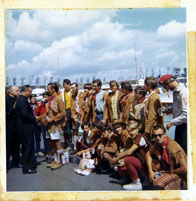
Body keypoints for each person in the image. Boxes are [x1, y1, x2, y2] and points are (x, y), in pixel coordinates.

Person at [110, 123, 151, 190]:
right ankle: (129, 178)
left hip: (146, 163)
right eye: (129, 131)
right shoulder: (133, 138)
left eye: (133, 130)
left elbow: (129, 152)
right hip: (141, 161)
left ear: (137, 129)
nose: (131, 133)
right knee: (122, 169)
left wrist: (117, 158)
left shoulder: (140, 137)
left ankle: (137, 182)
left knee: (128, 160)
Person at [146, 125, 187, 190]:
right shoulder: (158, 142)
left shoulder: (175, 149)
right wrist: (150, 171)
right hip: (167, 168)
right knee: (153, 170)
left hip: (177, 172)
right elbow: (148, 154)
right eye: (155, 136)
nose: (157, 138)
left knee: (157, 183)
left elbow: (185, 169)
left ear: (165, 134)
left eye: (159, 135)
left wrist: (168, 172)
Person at [159, 74, 187, 154]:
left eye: (165, 86)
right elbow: (178, 107)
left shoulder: (183, 92)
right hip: (180, 125)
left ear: (169, 83)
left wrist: (172, 122)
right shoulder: (176, 92)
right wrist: (169, 111)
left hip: (184, 126)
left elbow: (186, 114)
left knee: (183, 150)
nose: (165, 89)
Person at [15, 85, 37, 174]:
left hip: (25, 128)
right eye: (30, 92)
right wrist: (34, 118)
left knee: (27, 147)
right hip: (26, 128)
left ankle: (28, 165)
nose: (30, 94)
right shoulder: (22, 100)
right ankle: (27, 167)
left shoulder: (21, 100)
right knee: (28, 147)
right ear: (25, 91)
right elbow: (25, 115)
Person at [45, 83, 66, 170]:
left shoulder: (58, 99)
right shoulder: (50, 99)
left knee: (57, 142)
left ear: (53, 89)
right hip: (49, 126)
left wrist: (53, 119)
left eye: (49, 89)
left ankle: (59, 161)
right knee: (51, 143)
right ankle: (55, 159)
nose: (48, 90)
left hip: (56, 125)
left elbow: (63, 113)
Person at [6, 86, 20, 171]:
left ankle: (16, 163)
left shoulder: (17, 99)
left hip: (17, 126)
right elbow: (8, 112)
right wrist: (14, 107)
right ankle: (6, 165)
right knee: (8, 146)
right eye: (16, 91)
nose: (18, 92)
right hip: (9, 127)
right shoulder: (6, 100)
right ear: (10, 92)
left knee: (16, 145)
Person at [70, 82, 83, 154]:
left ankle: (81, 147)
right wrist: (73, 116)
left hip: (82, 116)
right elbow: (71, 107)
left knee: (82, 132)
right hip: (75, 116)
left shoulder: (82, 94)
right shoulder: (72, 97)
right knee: (75, 132)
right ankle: (75, 148)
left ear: (77, 87)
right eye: (71, 88)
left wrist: (81, 114)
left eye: (73, 88)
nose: (72, 89)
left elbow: (84, 106)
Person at [60, 79, 72, 149]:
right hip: (66, 111)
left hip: (73, 111)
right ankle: (68, 144)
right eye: (64, 84)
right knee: (67, 129)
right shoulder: (62, 94)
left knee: (73, 128)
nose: (66, 86)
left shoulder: (73, 92)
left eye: (67, 84)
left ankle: (75, 145)